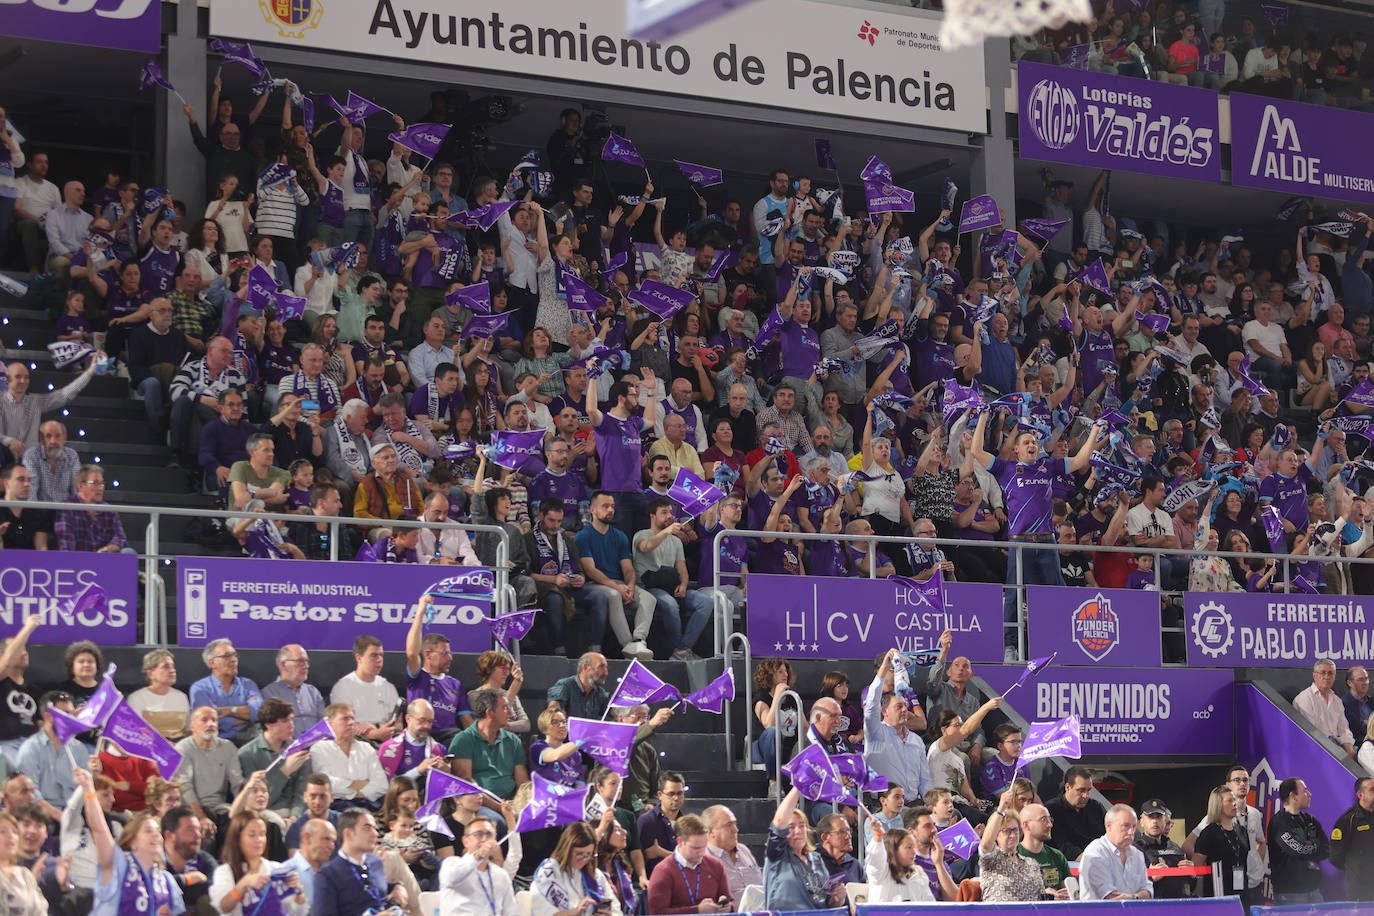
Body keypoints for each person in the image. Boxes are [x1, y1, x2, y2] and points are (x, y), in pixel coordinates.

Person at [968, 408, 1101, 659]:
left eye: (1035, 441)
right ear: (1016, 449)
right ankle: (1010, 647)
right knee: (1014, 594)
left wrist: (1094, 430)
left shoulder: (1047, 466)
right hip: (1019, 544)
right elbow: (976, 452)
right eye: (1027, 442)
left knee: (1056, 594)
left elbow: (1081, 460)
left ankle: (1060, 645)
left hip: (1048, 542)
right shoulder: (1006, 469)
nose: (1032, 444)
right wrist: (984, 417)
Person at [75, 767, 188, 916]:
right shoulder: (118, 865)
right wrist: (89, 789)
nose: (155, 835)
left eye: (157, 832)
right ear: (132, 842)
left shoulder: (166, 879)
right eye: (148, 831)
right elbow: (99, 830)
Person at [575, 491, 657, 661]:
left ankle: (639, 640)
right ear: (593, 509)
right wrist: (617, 588)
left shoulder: (620, 537)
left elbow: (628, 568)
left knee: (649, 599)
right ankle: (627, 645)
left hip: (619, 583)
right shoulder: (583, 536)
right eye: (605, 506)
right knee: (613, 595)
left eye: (612, 506)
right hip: (595, 584)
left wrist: (630, 586)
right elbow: (590, 570)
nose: (611, 510)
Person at [634, 498, 714, 661]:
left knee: (706, 602)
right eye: (664, 513)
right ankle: (682, 648)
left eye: (670, 512)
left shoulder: (675, 541)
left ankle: (682, 649)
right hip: (649, 586)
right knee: (670, 604)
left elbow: (682, 569)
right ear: (652, 516)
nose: (669, 516)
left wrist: (684, 585)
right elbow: (646, 546)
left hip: (671, 584)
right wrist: (667, 531)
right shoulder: (641, 535)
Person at [1183, 764, 1267, 904]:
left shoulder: (1246, 823)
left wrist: (1257, 866)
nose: (1234, 804)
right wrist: (1212, 871)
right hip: (1219, 891)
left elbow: (1260, 842)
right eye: (1230, 801)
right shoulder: (1209, 829)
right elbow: (1196, 861)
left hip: (1245, 886)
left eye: (1245, 780)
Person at [862, 650, 934, 800]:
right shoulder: (875, 733)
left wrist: (931, 805)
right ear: (884, 711)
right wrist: (884, 668)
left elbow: (925, 781)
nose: (904, 711)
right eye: (898, 707)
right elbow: (871, 706)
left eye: (905, 706)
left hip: (914, 806)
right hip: (883, 807)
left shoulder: (916, 740)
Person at [313, 808, 410, 915]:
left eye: (375, 828)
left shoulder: (375, 861)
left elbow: (374, 888)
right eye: (367, 828)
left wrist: (398, 886)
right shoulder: (327, 875)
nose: (375, 834)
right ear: (348, 834)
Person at [762, 787, 841, 912]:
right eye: (791, 827)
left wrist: (836, 900)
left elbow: (824, 902)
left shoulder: (816, 859)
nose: (798, 831)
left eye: (802, 826)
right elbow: (779, 821)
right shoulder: (777, 856)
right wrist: (798, 787)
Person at [404, 601, 473, 742]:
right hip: (421, 734)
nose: (450, 658)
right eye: (445, 653)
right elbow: (412, 654)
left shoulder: (455, 684)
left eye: (450, 653)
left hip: (449, 737)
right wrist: (421, 610)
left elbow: (467, 721)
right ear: (428, 654)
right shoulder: (417, 676)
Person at [447, 688, 529, 801]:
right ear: (490, 713)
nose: (510, 712)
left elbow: (523, 783)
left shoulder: (513, 740)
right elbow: (467, 788)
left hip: (511, 801)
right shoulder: (462, 741)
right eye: (504, 708)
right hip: (480, 803)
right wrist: (500, 808)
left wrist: (519, 806)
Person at [645, 813, 733, 914]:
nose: (701, 853)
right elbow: (657, 913)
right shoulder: (663, 871)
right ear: (680, 842)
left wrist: (728, 907)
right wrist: (697, 910)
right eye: (695, 848)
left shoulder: (716, 865)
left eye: (704, 847)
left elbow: (730, 900)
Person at [530, 820, 621, 916]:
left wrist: (609, 914)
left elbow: (616, 908)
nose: (584, 859)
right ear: (567, 850)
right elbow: (542, 911)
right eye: (579, 854)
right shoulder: (549, 871)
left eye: (589, 854)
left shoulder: (596, 875)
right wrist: (575, 912)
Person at [308, 704, 387, 809]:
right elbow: (325, 783)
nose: (351, 723)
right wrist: (355, 785)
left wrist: (361, 793)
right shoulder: (319, 748)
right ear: (330, 724)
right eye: (345, 718)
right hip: (336, 805)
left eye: (352, 719)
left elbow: (381, 783)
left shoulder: (366, 747)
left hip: (369, 802)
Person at [437, 814, 518, 915]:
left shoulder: (500, 874)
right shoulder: (451, 864)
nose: (484, 839)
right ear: (466, 841)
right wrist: (478, 855)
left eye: (489, 835)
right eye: (478, 834)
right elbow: (453, 877)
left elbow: (511, 911)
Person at [188, 638, 262, 745]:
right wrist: (245, 719)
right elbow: (207, 720)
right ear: (212, 663)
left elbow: (259, 712)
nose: (233, 660)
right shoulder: (200, 688)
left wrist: (228, 711)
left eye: (234, 655)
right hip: (215, 740)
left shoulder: (248, 684)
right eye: (227, 656)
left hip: (248, 738)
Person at [1267, 777, 1328, 905]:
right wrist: (1315, 844)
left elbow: (1326, 849)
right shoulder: (1279, 822)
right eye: (1305, 791)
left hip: (1314, 891)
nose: (1309, 794)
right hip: (1290, 893)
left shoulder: (1311, 820)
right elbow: (1297, 848)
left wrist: (1309, 846)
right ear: (1293, 796)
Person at [978, 788, 1046, 901]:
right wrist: (1000, 809)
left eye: (1015, 830)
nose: (1013, 835)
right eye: (1007, 831)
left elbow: (1041, 897)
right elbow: (985, 845)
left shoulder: (1032, 864)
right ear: (996, 835)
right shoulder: (993, 859)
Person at [330, 635, 400, 742]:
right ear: (359, 658)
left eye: (381, 655)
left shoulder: (388, 687)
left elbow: (398, 724)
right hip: (354, 742)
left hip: (386, 741)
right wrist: (373, 733)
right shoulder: (343, 687)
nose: (379, 660)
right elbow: (341, 725)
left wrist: (382, 729)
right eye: (373, 655)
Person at [1078, 804, 1152, 900]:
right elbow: (1110, 897)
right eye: (1126, 826)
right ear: (1109, 826)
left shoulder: (1137, 854)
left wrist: (1134, 897)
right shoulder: (1095, 853)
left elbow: (1148, 890)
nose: (1131, 832)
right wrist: (1137, 897)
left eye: (1133, 827)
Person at [1192, 786, 1251, 902]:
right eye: (1229, 801)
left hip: (1241, 892)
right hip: (1218, 894)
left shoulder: (1242, 830)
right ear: (1218, 805)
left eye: (1234, 800)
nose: (1235, 804)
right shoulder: (1209, 833)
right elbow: (1197, 866)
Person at [1293, 659, 1357, 756]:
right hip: (1317, 749)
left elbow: (1344, 729)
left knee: (1360, 755)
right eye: (1323, 673)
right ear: (1315, 676)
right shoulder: (1304, 698)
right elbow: (1311, 734)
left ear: (1334, 677)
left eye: (1330, 673)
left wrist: (1349, 749)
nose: (1327, 677)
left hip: (1339, 745)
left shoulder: (1337, 701)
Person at [261, 644, 326, 739]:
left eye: (306, 661)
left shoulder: (313, 692)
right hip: (288, 749)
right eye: (300, 661)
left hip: (317, 746)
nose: (306, 666)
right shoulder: (270, 693)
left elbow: (323, 724)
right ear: (284, 665)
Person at [1044, 765, 1108, 860]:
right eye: (1081, 790)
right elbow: (1058, 844)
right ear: (1068, 787)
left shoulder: (1096, 807)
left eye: (1088, 790)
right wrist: (1085, 858)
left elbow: (1109, 835)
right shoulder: (1052, 809)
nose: (1086, 795)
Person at [128, 648, 191, 742]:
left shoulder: (182, 697)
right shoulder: (136, 698)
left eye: (173, 666)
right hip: (148, 748)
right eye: (166, 666)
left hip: (179, 749)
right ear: (150, 674)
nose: (172, 670)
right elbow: (136, 731)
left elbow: (188, 730)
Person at [1133, 798, 1190, 900]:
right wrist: (1150, 877)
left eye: (1159, 817)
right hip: (1152, 908)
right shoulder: (1134, 850)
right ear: (1141, 822)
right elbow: (1126, 885)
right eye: (1150, 817)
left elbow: (1188, 887)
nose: (1155, 821)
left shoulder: (1175, 848)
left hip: (1180, 906)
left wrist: (1191, 875)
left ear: (1165, 821)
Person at [702, 805, 761, 901]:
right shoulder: (703, 859)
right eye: (729, 825)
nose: (735, 830)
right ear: (711, 831)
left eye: (735, 824)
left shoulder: (743, 850)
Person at [1331, 776, 1374, 901]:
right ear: (1360, 795)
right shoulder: (1347, 820)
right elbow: (1335, 856)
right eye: (1372, 790)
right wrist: (1356, 869)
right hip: (1360, 891)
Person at [1017, 802, 1070, 899]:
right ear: (1026, 825)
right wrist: (1042, 894)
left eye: (1050, 820)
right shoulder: (1013, 856)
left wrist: (1067, 895)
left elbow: (1070, 890)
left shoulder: (1057, 855)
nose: (1050, 825)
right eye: (1043, 820)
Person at [546, 652, 611, 721]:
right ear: (586, 667)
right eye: (601, 667)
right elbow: (552, 711)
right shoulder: (565, 685)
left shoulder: (600, 693)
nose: (606, 673)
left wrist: (621, 714)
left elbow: (614, 710)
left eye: (606, 668)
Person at [1345, 666, 1373, 752]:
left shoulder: (1372, 701)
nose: (1365, 683)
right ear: (1350, 683)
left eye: (1366, 679)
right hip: (1358, 748)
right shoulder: (1342, 704)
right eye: (1361, 679)